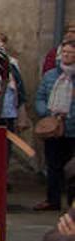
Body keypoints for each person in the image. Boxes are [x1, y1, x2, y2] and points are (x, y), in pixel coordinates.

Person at [35, 38, 75, 213]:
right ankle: (53, 200)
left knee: (72, 167)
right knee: (53, 165)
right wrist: (46, 113)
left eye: (70, 53)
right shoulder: (51, 75)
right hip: (52, 127)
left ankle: (72, 202)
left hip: (72, 127)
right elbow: (40, 97)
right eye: (64, 52)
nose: (66, 56)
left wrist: (68, 116)